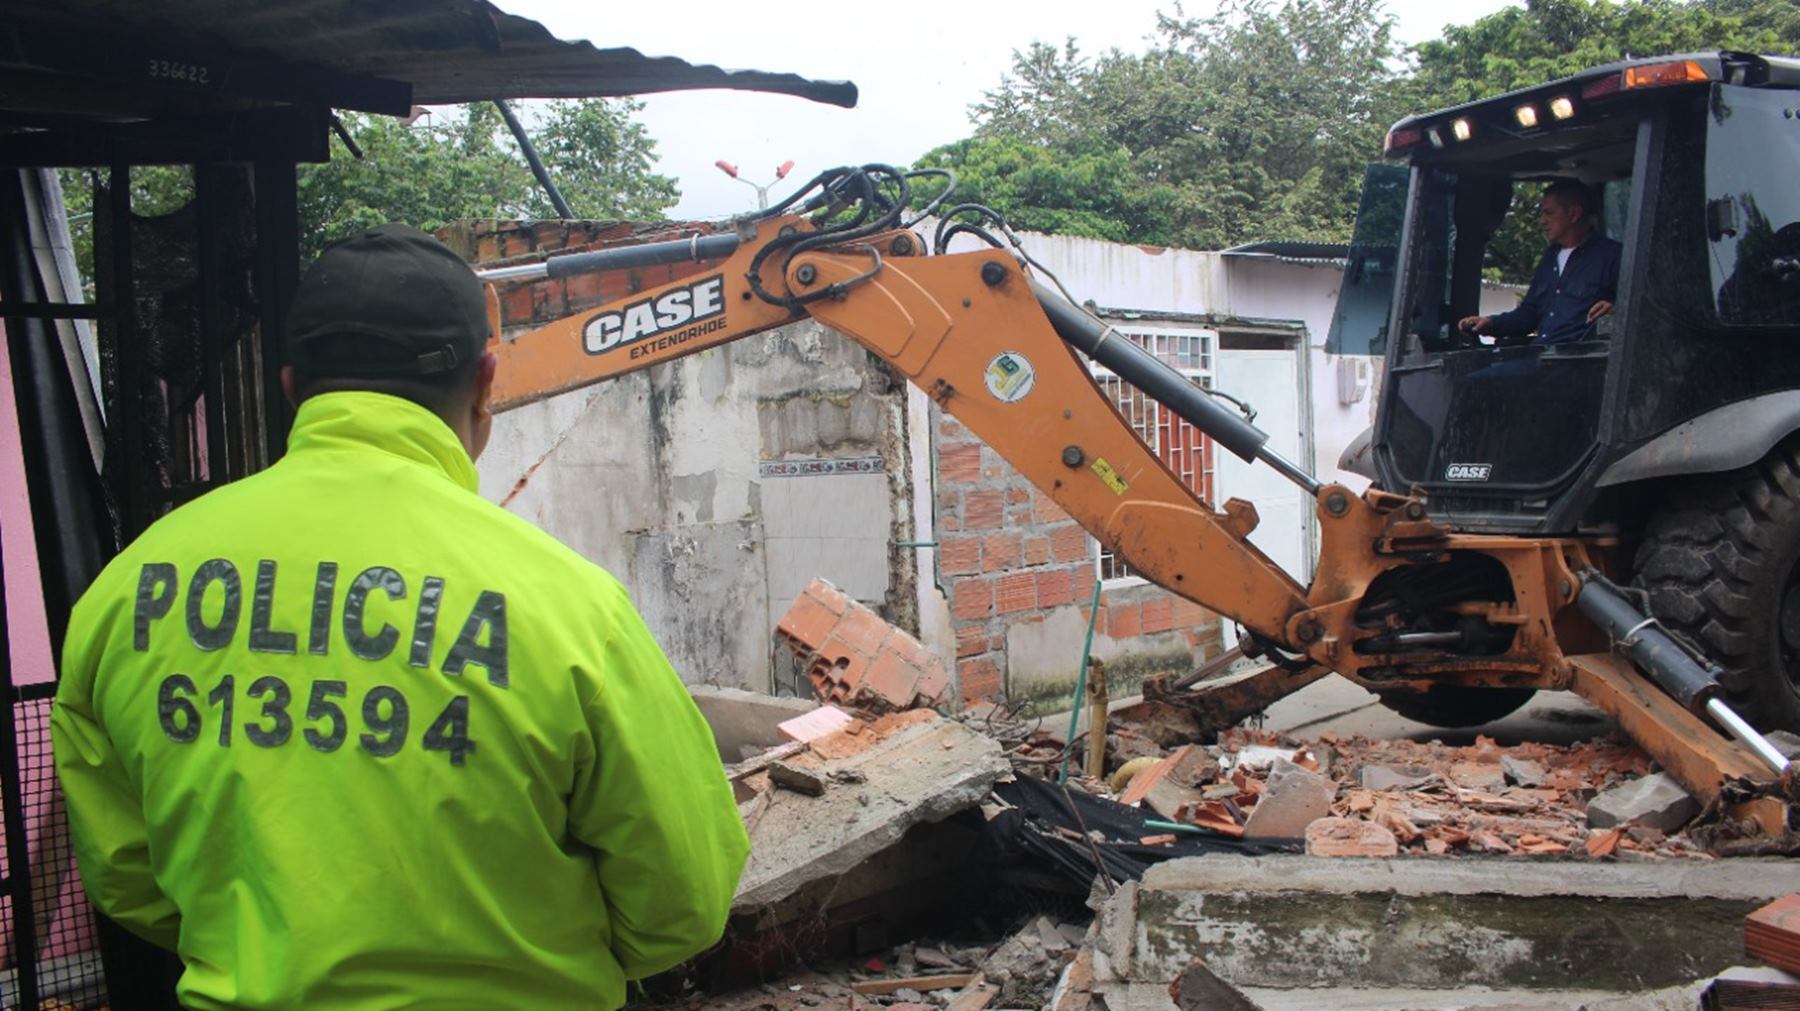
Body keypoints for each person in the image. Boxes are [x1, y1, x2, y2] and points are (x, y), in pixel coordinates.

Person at [51, 224, 749, 1010]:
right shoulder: (572, 607)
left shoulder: (126, 592)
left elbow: (127, 877)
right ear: (486, 379)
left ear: (291, 386)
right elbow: (684, 900)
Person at [1458, 179, 1623, 344]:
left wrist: (1616, 310)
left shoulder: (1613, 256)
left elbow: (1639, 309)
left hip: (1581, 361)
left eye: (1549, 213)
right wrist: (1490, 323)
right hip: (1540, 357)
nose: (1542, 221)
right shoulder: (1550, 258)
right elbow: (1529, 314)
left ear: (1574, 213)